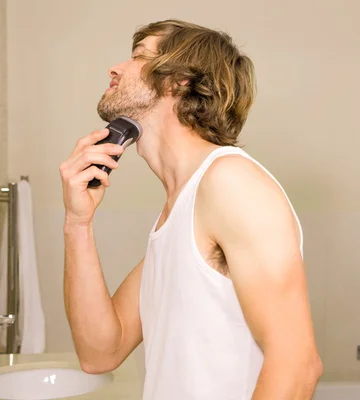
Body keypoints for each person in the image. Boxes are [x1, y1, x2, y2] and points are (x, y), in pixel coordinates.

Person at [59, 19, 322, 399]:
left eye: (137, 57)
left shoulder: (230, 182)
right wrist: (77, 222)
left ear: (178, 81)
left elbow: (298, 365)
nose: (114, 69)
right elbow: (100, 351)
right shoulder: (180, 211)